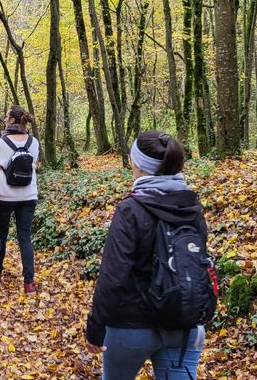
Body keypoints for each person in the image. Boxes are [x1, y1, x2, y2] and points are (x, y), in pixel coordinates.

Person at [84, 131, 212, 380]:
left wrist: (95, 327)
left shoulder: (130, 209)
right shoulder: (191, 206)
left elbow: (113, 276)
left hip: (131, 327)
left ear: (137, 164)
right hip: (183, 323)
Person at [0, 105, 40, 293]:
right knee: (25, 236)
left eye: (7, 116)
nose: (4, 119)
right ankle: (29, 283)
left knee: (1, 234)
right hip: (29, 195)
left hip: (4, 197)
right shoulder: (34, 142)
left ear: (13, 120)